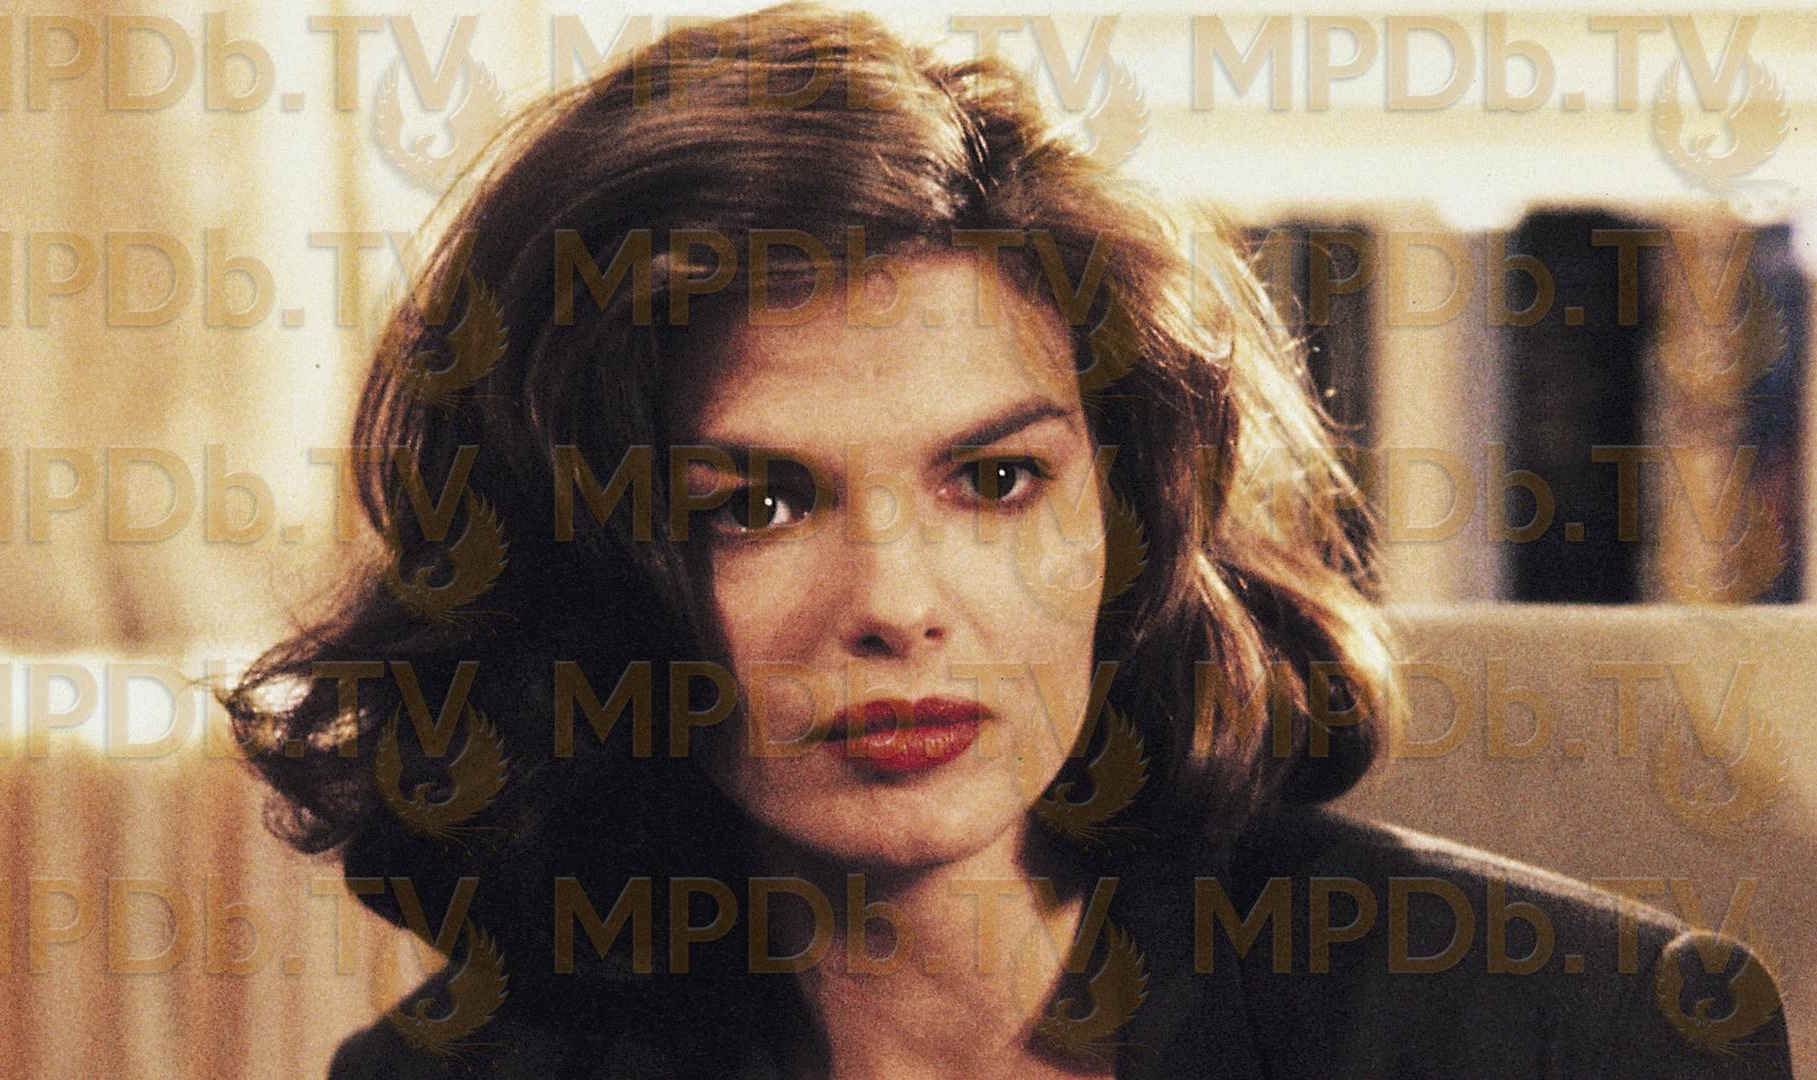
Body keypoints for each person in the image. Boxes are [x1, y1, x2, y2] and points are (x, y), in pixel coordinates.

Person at [223, 5, 1794, 1077]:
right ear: (580, 568)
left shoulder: (1577, 1034)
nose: (898, 605)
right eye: (755, 506)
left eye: (993, 481)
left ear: (1132, 511)